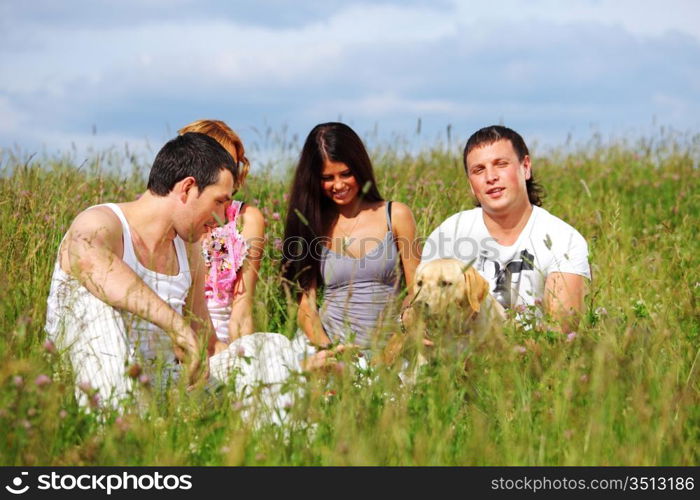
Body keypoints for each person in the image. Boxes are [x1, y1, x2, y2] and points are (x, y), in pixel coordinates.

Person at [44, 132, 301, 413]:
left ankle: (284, 447)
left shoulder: (189, 251)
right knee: (96, 305)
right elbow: (90, 263)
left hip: (169, 388)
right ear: (188, 188)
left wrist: (291, 365)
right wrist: (175, 325)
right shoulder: (102, 221)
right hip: (101, 384)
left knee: (269, 348)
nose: (222, 215)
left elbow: (208, 342)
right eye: (219, 201)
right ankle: (117, 434)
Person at [420, 125, 590, 333]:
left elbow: (561, 330)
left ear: (525, 167)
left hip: (529, 359)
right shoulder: (449, 232)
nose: (490, 177)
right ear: (471, 184)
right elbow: (416, 305)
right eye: (478, 170)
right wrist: (410, 323)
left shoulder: (564, 239)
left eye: (501, 164)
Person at [282, 122, 421, 357]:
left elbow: (416, 291)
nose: (338, 185)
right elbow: (306, 305)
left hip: (390, 349)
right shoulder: (312, 224)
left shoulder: (396, 215)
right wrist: (330, 350)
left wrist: (400, 337)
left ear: (360, 167)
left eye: (346, 174)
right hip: (330, 346)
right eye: (328, 178)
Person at [178, 119, 264, 347]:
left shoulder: (246, 218)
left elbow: (242, 307)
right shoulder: (174, 213)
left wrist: (241, 363)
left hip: (226, 341)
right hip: (180, 340)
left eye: (232, 165)